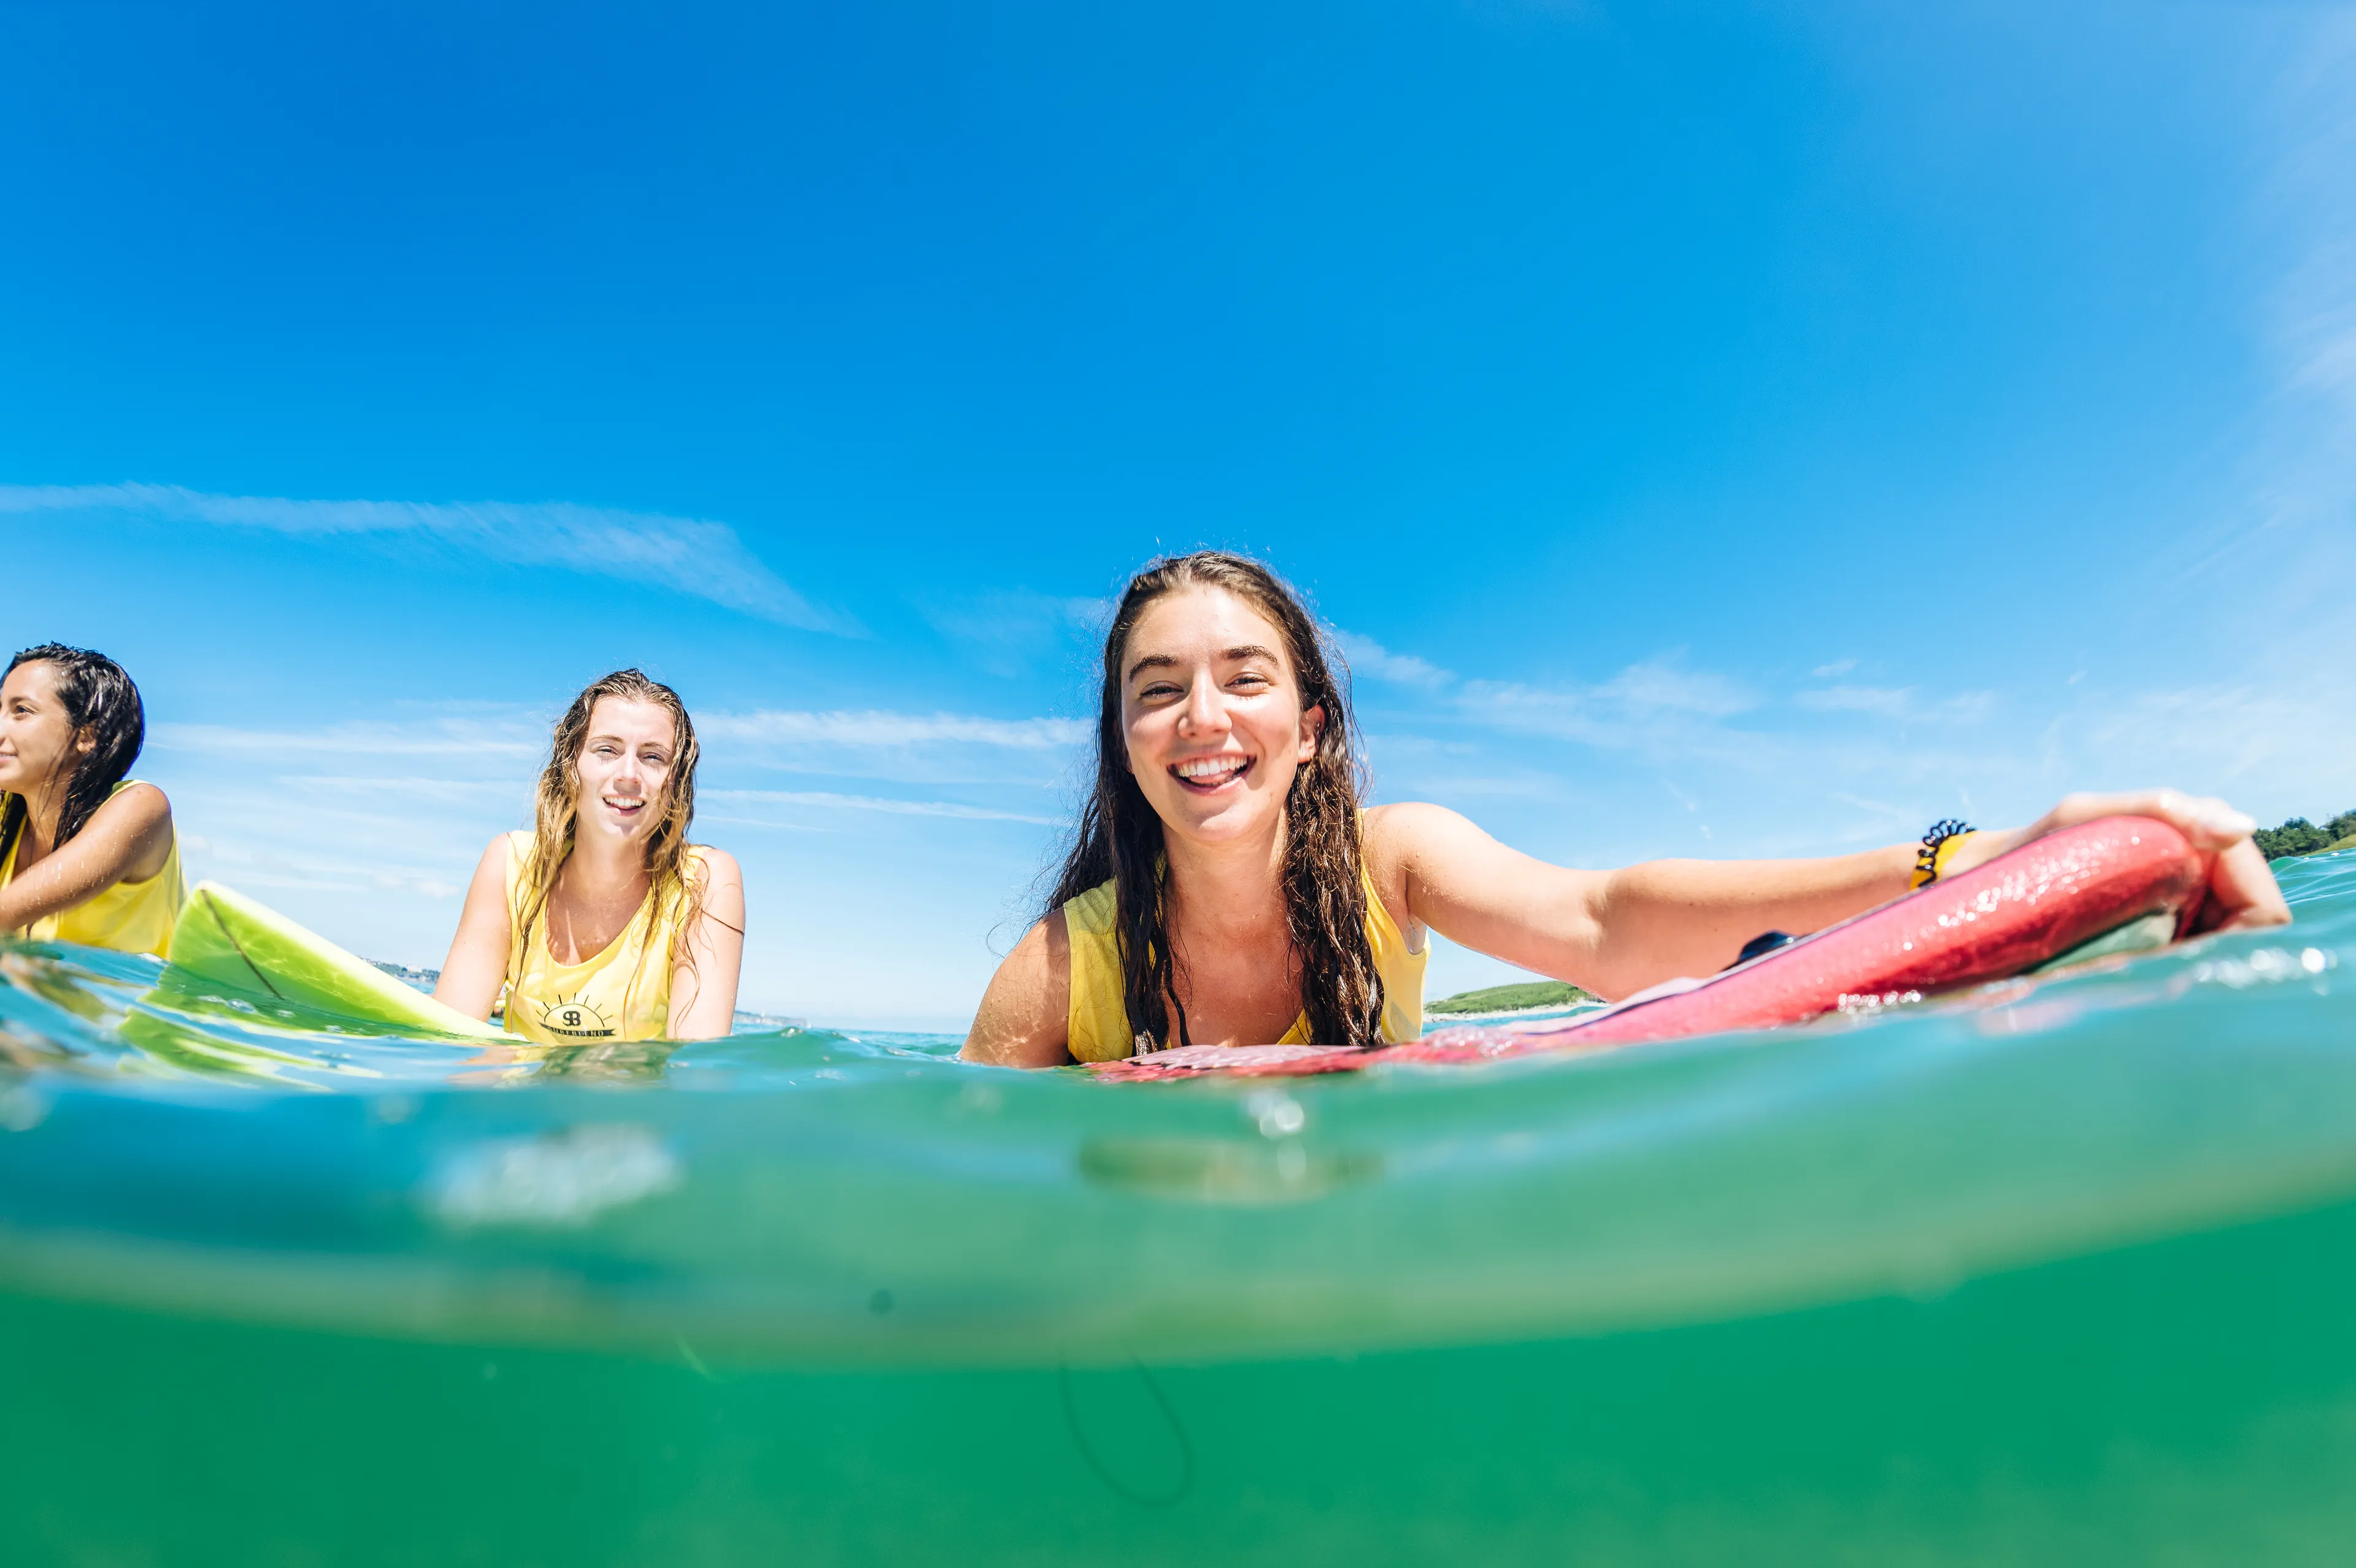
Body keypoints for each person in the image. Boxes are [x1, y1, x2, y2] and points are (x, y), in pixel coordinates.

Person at [963, 552, 2290, 1067]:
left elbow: (1610, 924)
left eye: (1243, 678)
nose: (1202, 717)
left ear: (1312, 733)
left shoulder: (1394, 860)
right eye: (1158, 691)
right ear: (1124, 744)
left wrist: (1965, 859)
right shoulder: (1059, 968)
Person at [435, 669, 745, 1044]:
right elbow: (447, 1041)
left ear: (675, 782)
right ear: (572, 766)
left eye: (653, 757)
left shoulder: (704, 882)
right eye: (607, 750)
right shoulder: (511, 865)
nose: (629, 774)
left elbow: (694, 1074)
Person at [0, 644, 183, 958]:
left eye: (22, 711)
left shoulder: (141, 806)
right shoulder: (7, 813)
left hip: (127, 1003)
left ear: (86, 736)